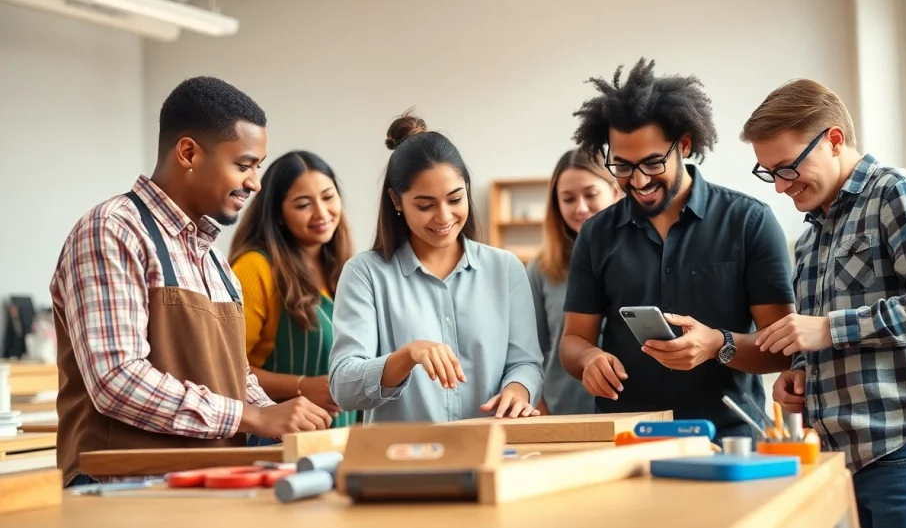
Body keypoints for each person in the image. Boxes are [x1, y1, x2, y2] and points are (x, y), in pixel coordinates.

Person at [50, 77, 332, 487]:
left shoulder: (214, 259)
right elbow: (116, 379)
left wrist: (279, 415)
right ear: (188, 153)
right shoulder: (111, 230)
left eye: (258, 168)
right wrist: (252, 416)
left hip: (207, 484)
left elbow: (234, 377)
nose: (254, 183)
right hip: (121, 492)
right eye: (244, 165)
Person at [740, 78, 906, 527]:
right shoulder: (811, 237)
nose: (779, 186)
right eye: (769, 173)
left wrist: (828, 328)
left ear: (833, 140)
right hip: (841, 458)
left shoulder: (900, 192)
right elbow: (830, 338)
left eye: (787, 168)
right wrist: (800, 372)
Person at [558, 58, 797, 441]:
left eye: (652, 163)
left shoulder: (749, 222)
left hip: (729, 438)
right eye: (621, 166)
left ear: (683, 144)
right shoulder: (597, 233)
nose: (637, 180)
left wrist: (719, 345)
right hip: (626, 439)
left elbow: (782, 349)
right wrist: (589, 359)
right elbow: (573, 341)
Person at [328, 110, 544, 423]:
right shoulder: (365, 274)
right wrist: (406, 356)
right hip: (402, 464)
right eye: (425, 205)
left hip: (493, 450)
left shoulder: (506, 268)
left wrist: (517, 390)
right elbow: (343, 388)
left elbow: (526, 363)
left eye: (455, 199)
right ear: (396, 201)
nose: (443, 217)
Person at [229, 150, 358, 429]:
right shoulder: (256, 268)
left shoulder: (347, 271)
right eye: (303, 204)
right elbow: (225, 369)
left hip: (340, 441)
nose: (321, 213)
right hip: (275, 444)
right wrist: (302, 386)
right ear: (278, 214)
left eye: (328, 197)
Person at [527, 148, 621, 415]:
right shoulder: (541, 269)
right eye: (568, 199)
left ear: (615, 191)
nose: (580, 207)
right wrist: (541, 411)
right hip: (565, 412)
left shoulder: (639, 258)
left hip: (631, 411)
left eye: (591, 194)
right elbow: (532, 352)